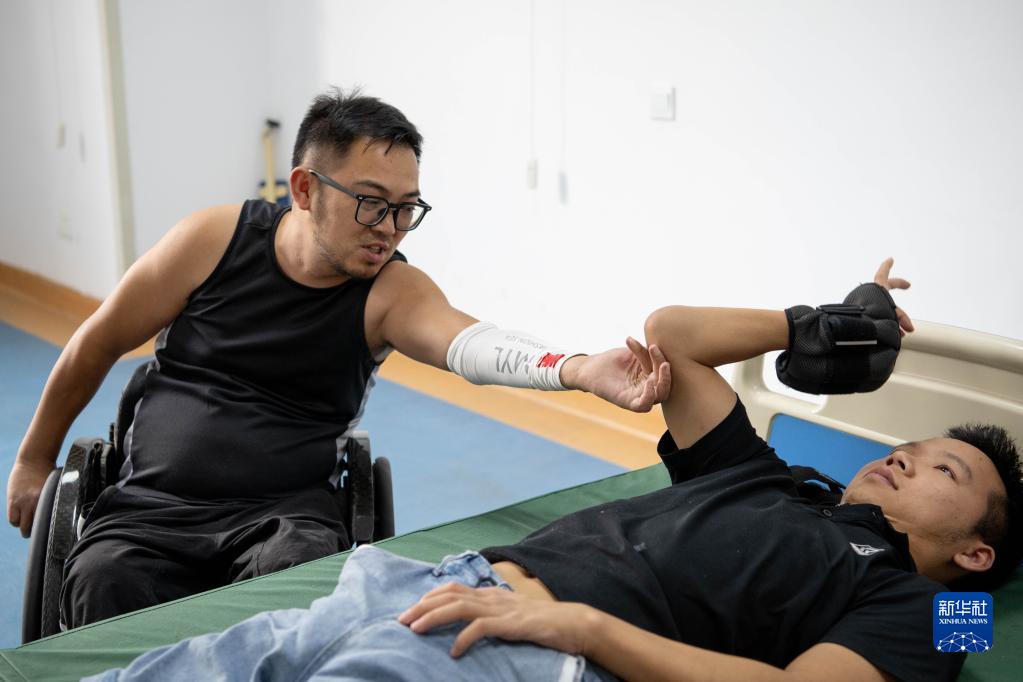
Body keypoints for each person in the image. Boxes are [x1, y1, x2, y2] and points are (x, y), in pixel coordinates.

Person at [84, 260, 1023, 682]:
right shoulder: (773, 481)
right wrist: (834, 322)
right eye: (910, 445)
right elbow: (672, 335)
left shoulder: (921, 606)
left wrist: (579, 625)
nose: (902, 454)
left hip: (531, 647)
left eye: (942, 468)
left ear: (977, 553)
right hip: (430, 585)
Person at [5, 89, 671, 629]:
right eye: (371, 204)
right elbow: (97, 341)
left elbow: (471, 344)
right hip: (152, 507)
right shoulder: (212, 240)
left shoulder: (390, 292)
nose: (389, 229)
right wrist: (35, 459)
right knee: (102, 580)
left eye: (406, 209)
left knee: (303, 581)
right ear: (304, 188)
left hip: (281, 518)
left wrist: (578, 368)